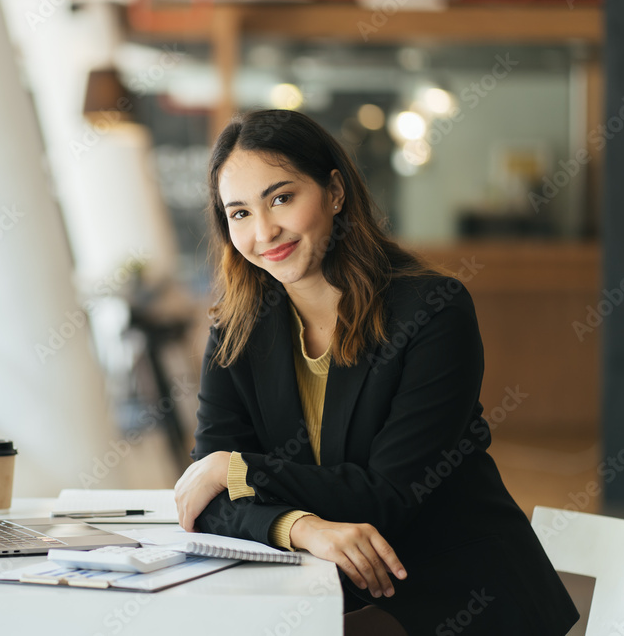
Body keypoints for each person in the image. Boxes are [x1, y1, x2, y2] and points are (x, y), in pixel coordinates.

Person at [173, 109, 580, 635]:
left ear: (335, 192)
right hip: (329, 597)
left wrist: (236, 468)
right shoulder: (236, 333)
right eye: (240, 213)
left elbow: (385, 498)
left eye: (281, 198)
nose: (265, 230)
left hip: (465, 601)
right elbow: (206, 505)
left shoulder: (432, 312)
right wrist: (302, 528)